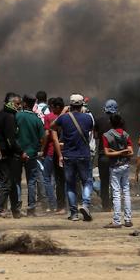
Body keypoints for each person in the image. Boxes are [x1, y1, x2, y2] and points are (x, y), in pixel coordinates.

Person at [50, 94, 95, 222]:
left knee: (70, 185)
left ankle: (74, 213)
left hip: (68, 155)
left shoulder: (63, 118)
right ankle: (85, 204)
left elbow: (52, 126)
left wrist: (63, 113)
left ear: (70, 105)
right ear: (81, 105)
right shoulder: (88, 118)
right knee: (87, 181)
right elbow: (91, 129)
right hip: (84, 155)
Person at [0, 93, 23, 218]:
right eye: (17, 104)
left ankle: (15, 210)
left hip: (0, 152)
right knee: (6, 182)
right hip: (6, 154)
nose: (19, 106)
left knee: (12, 182)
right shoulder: (9, 117)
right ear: (10, 103)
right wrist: (21, 152)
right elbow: (11, 140)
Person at [101, 113, 134, 228]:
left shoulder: (106, 135)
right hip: (125, 165)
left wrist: (116, 152)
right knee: (126, 192)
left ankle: (117, 220)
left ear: (110, 122)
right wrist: (123, 152)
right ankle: (128, 220)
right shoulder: (125, 134)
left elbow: (107, 153)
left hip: (114, 167)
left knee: (116, 193)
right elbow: (131, 152)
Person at [16, 94, 45, 216]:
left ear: (24, 103)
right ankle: (31, 208)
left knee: (17, 180)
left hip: (17, 153)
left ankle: (16, 208)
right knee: (31, 181)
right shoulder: (37, 119)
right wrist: (40, 149)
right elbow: (42, 138)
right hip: (32, 154)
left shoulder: (17, 116)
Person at [94, 99, 119, 211]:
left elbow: (95, 136)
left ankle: (106, 206)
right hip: (116, 155)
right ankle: (115, 204)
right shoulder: (119, 120)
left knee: (104, 181)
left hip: (103, 154)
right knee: (115, 181)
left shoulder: (99, 120)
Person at [40, 97, 64, 214]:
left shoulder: (48, 117)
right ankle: (63, 204)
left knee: (46, 178)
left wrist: (42, 149)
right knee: (60, 179)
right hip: (64, 151)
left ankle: (53, 204)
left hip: (51, 151)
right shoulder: (66, 116)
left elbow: (46, 135)